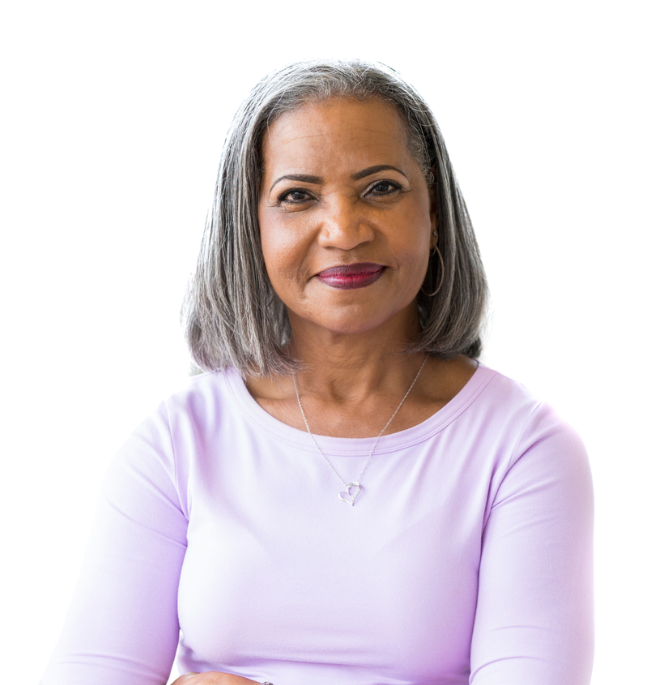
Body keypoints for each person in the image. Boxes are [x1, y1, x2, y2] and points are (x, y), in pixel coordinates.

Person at [38, 58, 596, 685]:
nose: (344, 230)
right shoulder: (177, 443)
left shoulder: (524, 448)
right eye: (297, 196)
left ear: (435, 213)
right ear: (252, 230)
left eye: (381, 188)